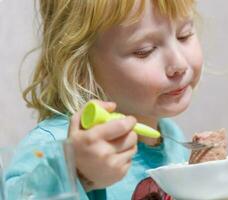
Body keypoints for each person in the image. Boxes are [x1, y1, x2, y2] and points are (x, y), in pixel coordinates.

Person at [6, 0, 203, 199]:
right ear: (80, 68)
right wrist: (75, 172)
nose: (179, 63)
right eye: (144, 50)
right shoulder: (53, 146)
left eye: (184, 35)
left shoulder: (171, 135)